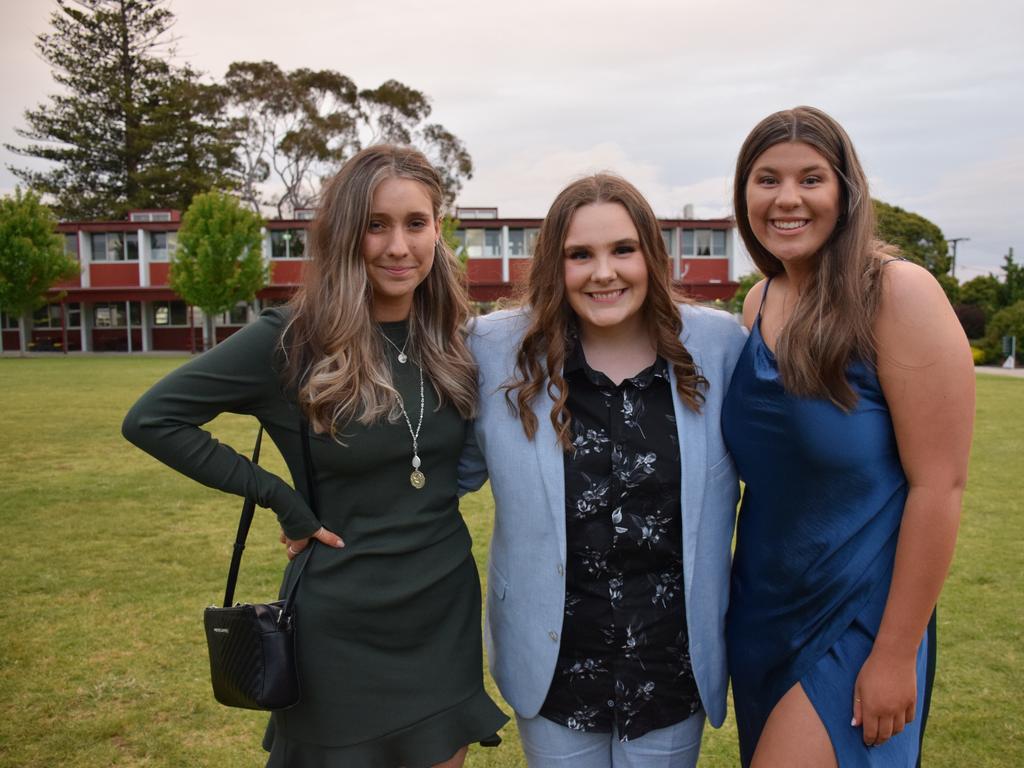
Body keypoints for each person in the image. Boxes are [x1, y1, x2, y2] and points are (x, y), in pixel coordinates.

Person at [122, 144, 508, 768]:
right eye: (375, 226)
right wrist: (281, 499)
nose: (398, 247)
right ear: (344, 234)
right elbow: (152, 419)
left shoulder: (452, 337)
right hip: (341, 616)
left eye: (416, 223)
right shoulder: (290, 339)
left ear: (438, 230)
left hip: (443, 605)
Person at [459, 174, 747, 767]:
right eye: (579, 255)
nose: (603, 272)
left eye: (622, 249)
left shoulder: (720, 346)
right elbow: (439, 470)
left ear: (651, 253)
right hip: (552, 662)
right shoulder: (493, 349)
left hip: (671, 665)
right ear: (553, 265)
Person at [722, 106, 974, 767]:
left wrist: (894, 653)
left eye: (811, 179)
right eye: (766, 179)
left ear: (845, 191)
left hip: (857, 617)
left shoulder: (897, 294)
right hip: (761, 613)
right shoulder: (758, 301)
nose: (786, 198)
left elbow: (939, 486)